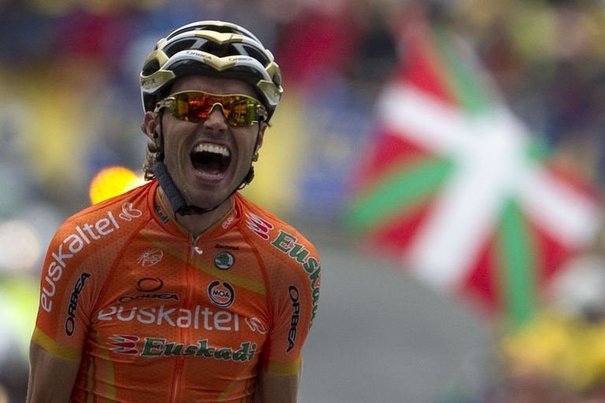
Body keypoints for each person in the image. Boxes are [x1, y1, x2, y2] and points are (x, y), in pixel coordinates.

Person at [26, 20, 321, 402]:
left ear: (260, 137)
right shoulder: (84, 246)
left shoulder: (289, 265)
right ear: (154, 127)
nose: (216, 122)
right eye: (192, 105)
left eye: (240, 111)